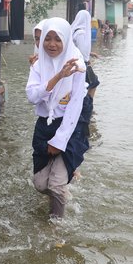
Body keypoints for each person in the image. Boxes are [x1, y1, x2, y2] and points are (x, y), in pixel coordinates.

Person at [25, 18, 89, 220]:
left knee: (56, 185)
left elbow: (75, 107)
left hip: (68, 129)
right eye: (47, 39)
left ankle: (56, 230)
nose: (52, 44)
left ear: (66, 40)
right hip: (44, 126)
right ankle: (61, 184)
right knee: (40, 184)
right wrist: (58, 77)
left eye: (58, 39)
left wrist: (60, 141)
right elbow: (32, 96)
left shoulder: (77, 66)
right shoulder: (38, 65)